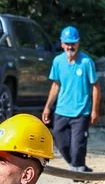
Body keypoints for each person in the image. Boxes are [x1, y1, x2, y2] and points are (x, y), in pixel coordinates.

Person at [42, 26, 99, 173]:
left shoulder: (86, 62)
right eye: (67, 43)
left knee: (78, 144)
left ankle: (78, 173)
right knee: (61, 142)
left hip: (81, 112)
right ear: (62, 44)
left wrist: (94, 110)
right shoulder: (58, 61)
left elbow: (95, 86)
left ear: (78, 43)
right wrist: (47, 107)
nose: (70, 47)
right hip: (61, 110)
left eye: (72, 43)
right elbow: (56, 85)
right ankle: (79, 168)